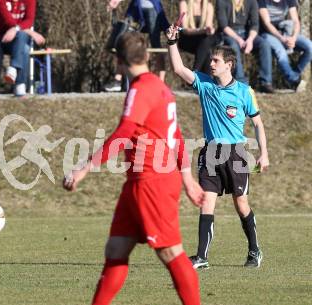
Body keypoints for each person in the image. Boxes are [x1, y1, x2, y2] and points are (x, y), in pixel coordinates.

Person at [64, 32, 204, 305]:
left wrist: (85, 168)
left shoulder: (141, 89)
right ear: (148, 56)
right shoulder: (160, 87)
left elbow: (124, 132)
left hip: (153, 181)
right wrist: (187, 178)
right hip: (139, 181)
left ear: (118, 62)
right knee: (116, 248)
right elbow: (175, 135)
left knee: (170, 252)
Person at [167, 24, 269, 269]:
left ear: (228, 64)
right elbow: (179, 68)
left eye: (215, 60)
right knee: (206, 203)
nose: (211, 64)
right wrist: (172, 42)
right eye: (211, 60)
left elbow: (257, 123)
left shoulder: (245, 92)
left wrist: (264, 154)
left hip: (236, 154)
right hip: (211, 153)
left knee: (241, 204)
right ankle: (201, 257)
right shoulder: (204, 84)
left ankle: (254, 250)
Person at [104, 0, 170, 92]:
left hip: (152, 8)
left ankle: (161, 82)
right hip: (135, 8)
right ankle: (118, 80)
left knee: (156, 45)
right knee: (125, 42)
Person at [216, 0, 274, 93]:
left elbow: (255, 25)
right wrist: (239, 39)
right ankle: (241, 82)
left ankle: (266, 82)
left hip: (246, 33)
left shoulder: (252, 2)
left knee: (264, 44)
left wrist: (250, 40)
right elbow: (224, 26)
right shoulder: (222, 1)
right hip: (228, 34)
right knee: (233, 46)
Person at [0, 0, 45, 97]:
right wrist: (30, 32)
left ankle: (13, 68)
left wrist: (17, 29)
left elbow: (29, 20)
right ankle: (20, 84)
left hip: (20, 40)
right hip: (3, 39)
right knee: (24, 45)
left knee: (24, 46)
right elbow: (6, 19)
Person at [258, 0, 311, 92]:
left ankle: (295, 75)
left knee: (310, 46)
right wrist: (282, 39)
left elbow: (296, 21)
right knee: (281, 51)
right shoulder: (262, 1)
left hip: (285, 32)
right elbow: (267, 23)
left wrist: (293, 38)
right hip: (267, 34)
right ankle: (294, 80)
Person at [177, 0, 219, 74]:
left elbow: (208, 27)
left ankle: (196, 75)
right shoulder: (184, 4)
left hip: (202, 42)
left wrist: (210, 30)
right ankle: (197, 74)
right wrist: (201, 30)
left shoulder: (209, 6)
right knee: (206, 45)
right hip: (187, 40)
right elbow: (185, 30)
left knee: (206, 45)